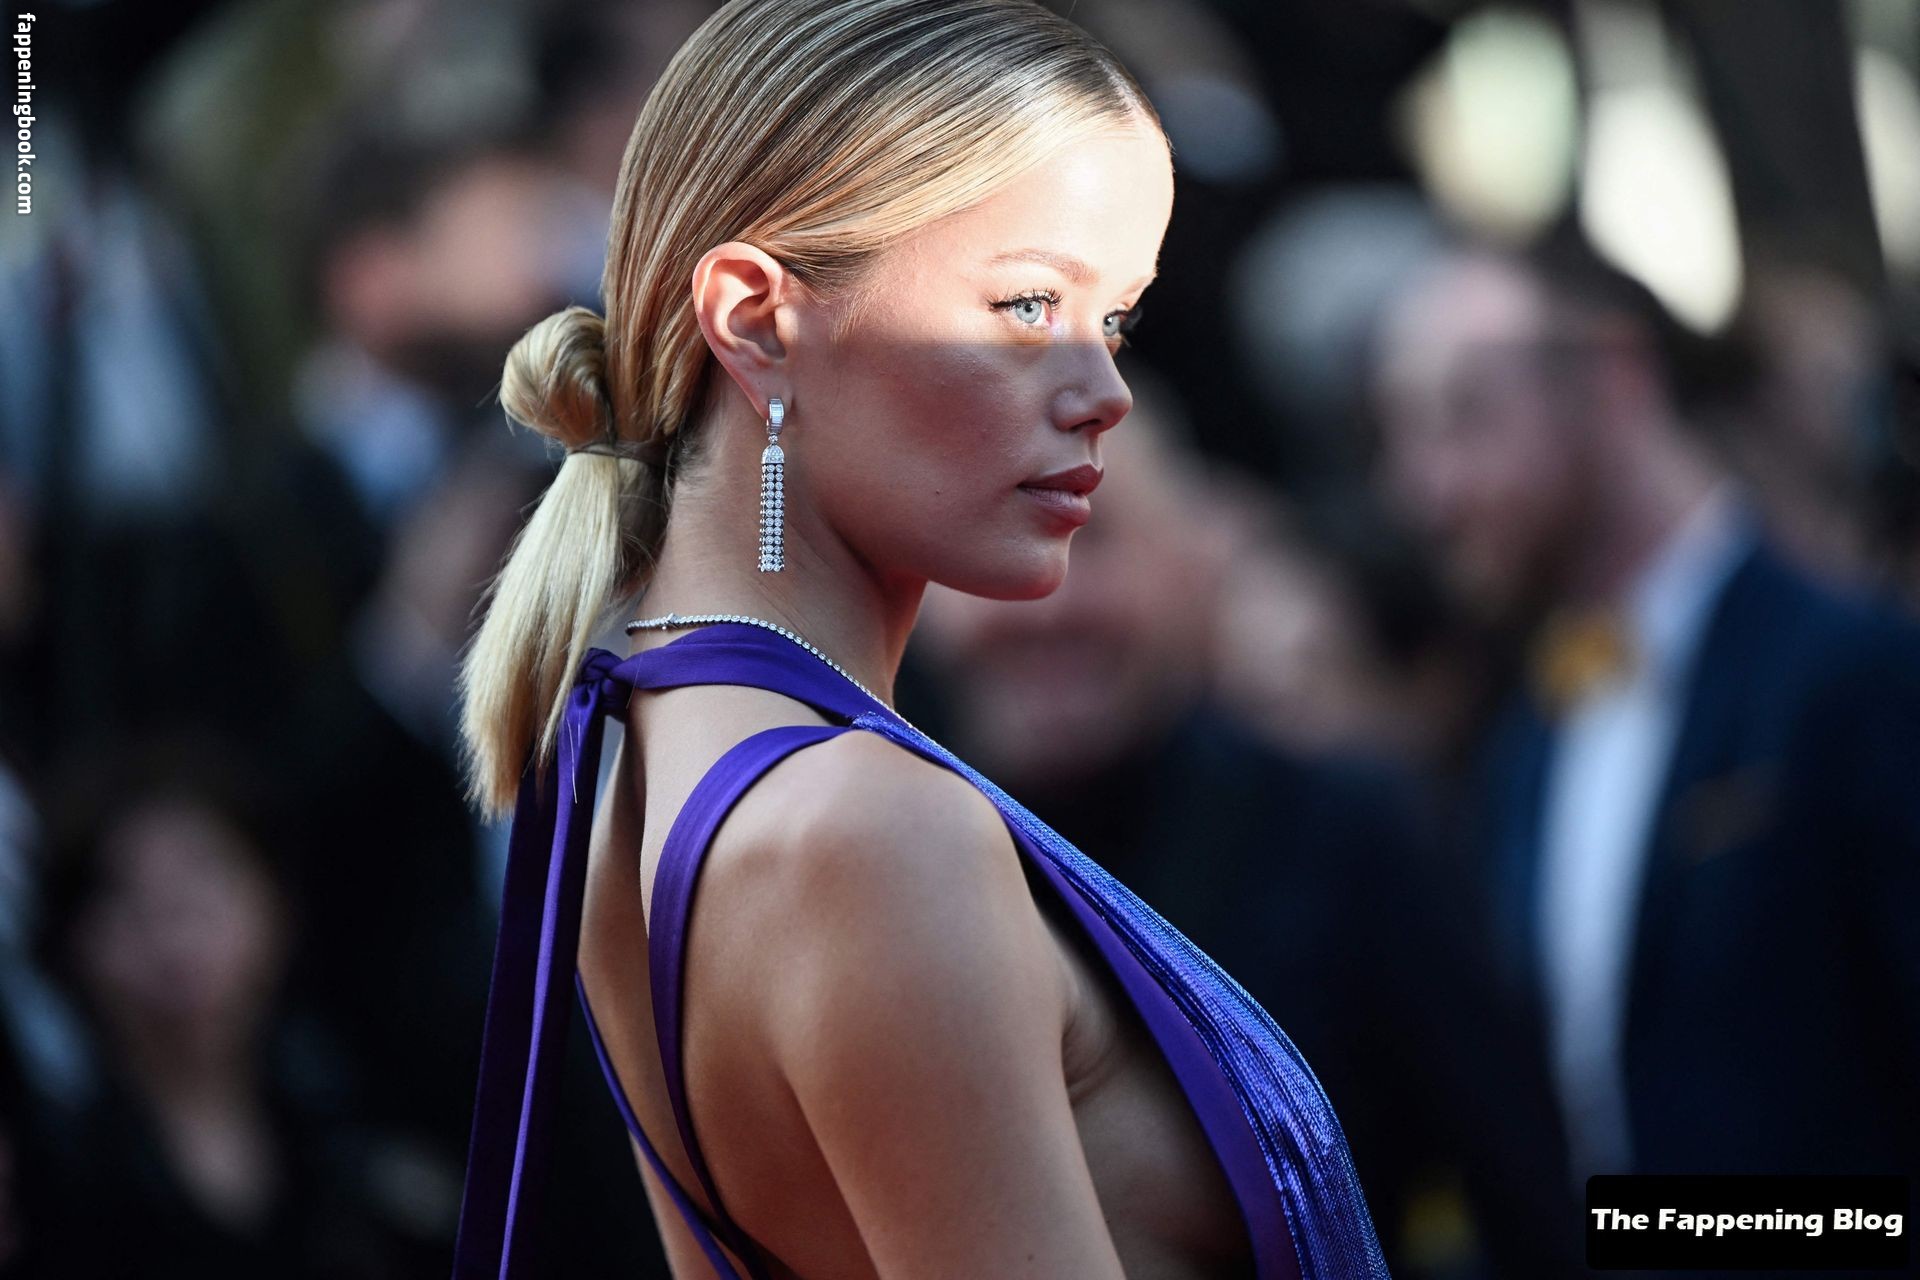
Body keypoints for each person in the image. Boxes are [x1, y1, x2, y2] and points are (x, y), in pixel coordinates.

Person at [450, 1, 1390, 1277]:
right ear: (757, 320)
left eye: (1114, 319)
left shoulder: (643, 768)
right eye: (1027, 303)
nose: (1106, 392)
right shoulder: (870, 828)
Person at [1369, 237, 1920, 1268]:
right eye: (1401, 436)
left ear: (1613, 379)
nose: (1426, 490)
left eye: (1465, 414)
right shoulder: (1523, 745)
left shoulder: (1857, 679)